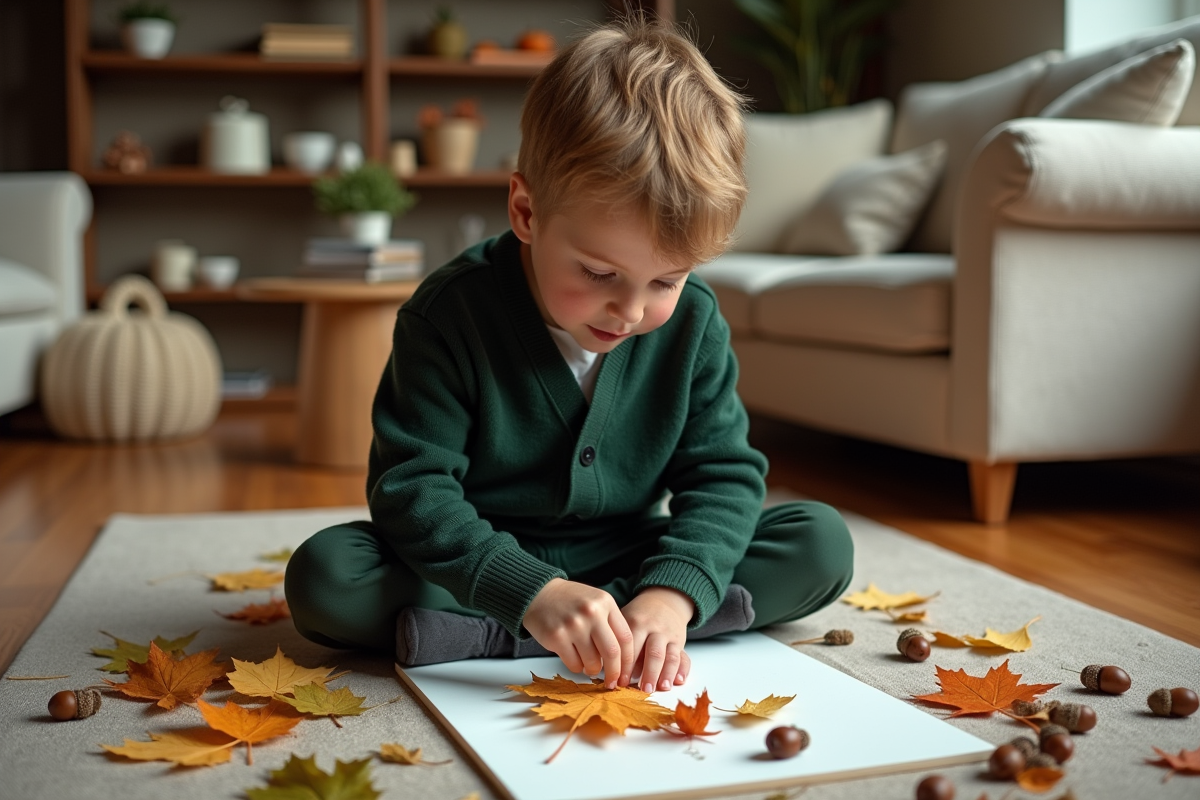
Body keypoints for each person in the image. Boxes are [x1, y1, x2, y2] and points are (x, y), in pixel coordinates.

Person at [285, 16, 853, 696]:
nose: (632, 311)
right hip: (483, 559)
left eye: (666, 280)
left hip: (631, 550)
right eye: (600, 274)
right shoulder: (448, 316)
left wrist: (670, 595)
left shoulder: (695, 322)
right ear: (525, 212)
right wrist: (530, 591)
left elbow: (724, 477)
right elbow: (412, 491)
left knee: (820, 543)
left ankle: (614, 625)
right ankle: (573, 622)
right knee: (328, 577)